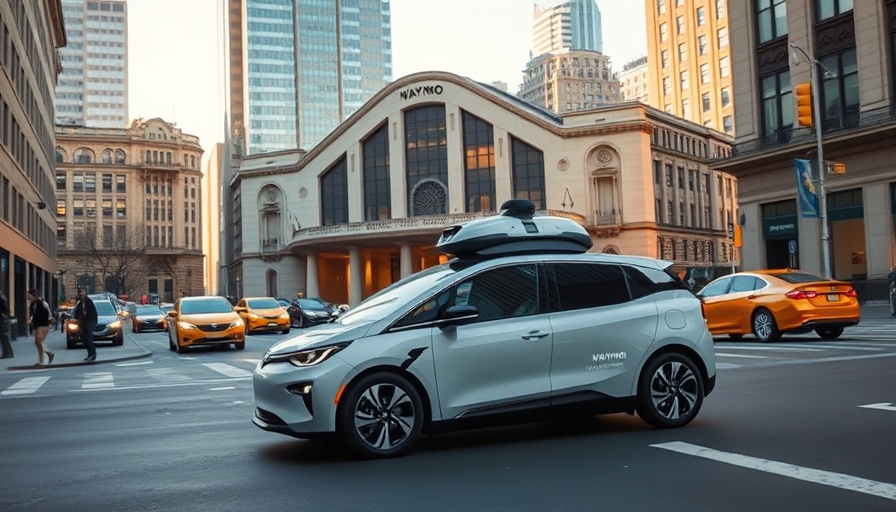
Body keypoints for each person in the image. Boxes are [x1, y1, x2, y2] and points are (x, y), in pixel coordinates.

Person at [27, 289, 54, 367]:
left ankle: (49, 354)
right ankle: (41, 361)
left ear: (34, 296)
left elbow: (46, 314)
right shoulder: (33, 304)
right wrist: (31, 319)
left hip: (43, 325)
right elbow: (32, 314)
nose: (28, 297)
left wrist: (33, 320)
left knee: (39, 342)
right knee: (38, 343)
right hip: (38, 325)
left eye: (29, 296)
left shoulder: (41, 303)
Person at [72, 288, 98, 362]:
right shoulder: (80, 303)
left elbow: (93, 313)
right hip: (83, 323)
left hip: (90, 322)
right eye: (80, 292)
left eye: (82, 292)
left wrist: (93, 322)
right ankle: (89, 354)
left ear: (85, 293)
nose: (81, 294)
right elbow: (77, 314)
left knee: (89, 339)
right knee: (84, 340)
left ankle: (93, 355)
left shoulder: (89, 301)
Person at [0, 292, 13, 359]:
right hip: (3, 321)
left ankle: (8, 353)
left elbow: (5, 310)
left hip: (3, 321)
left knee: (5, 338)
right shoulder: (2, 298)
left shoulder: (2, 299)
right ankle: (7, 353)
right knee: (4, 339)